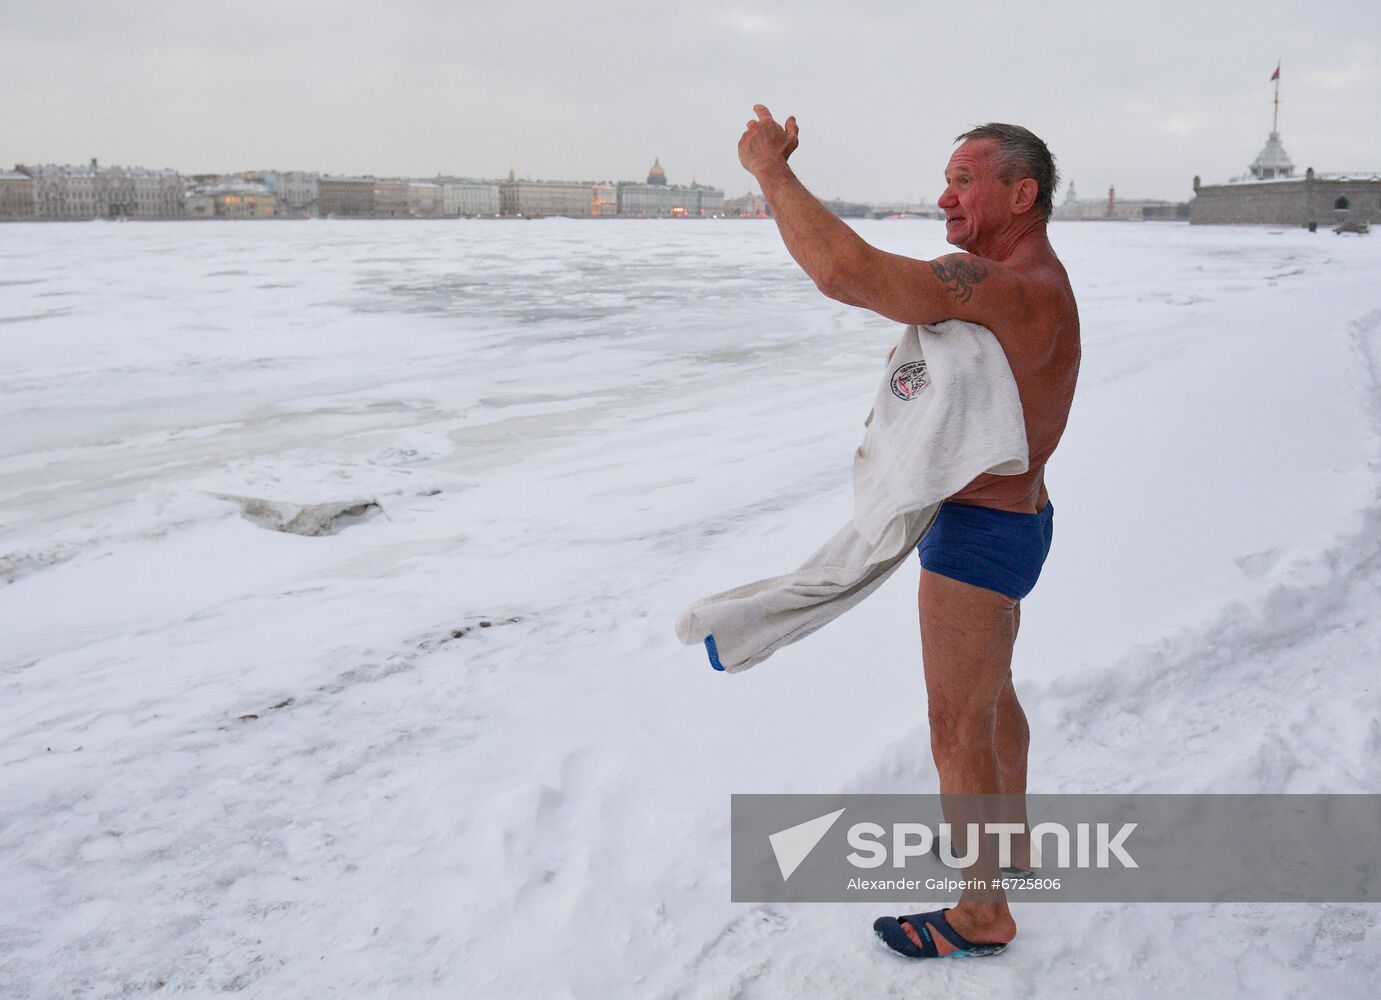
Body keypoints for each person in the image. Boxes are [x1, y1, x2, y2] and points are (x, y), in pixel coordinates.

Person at [737, 107, 1080, 958]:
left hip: (978, 537)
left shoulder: (1000, 285)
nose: (945, 195)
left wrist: (772, 174)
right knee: (991, 697)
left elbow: (847, 273)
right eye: (949, 178)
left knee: (953, 725)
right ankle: (1010, 846)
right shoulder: (1026, 277)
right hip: (1016, 520)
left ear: (1020, 192)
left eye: (965, 180)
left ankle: (980, 911)